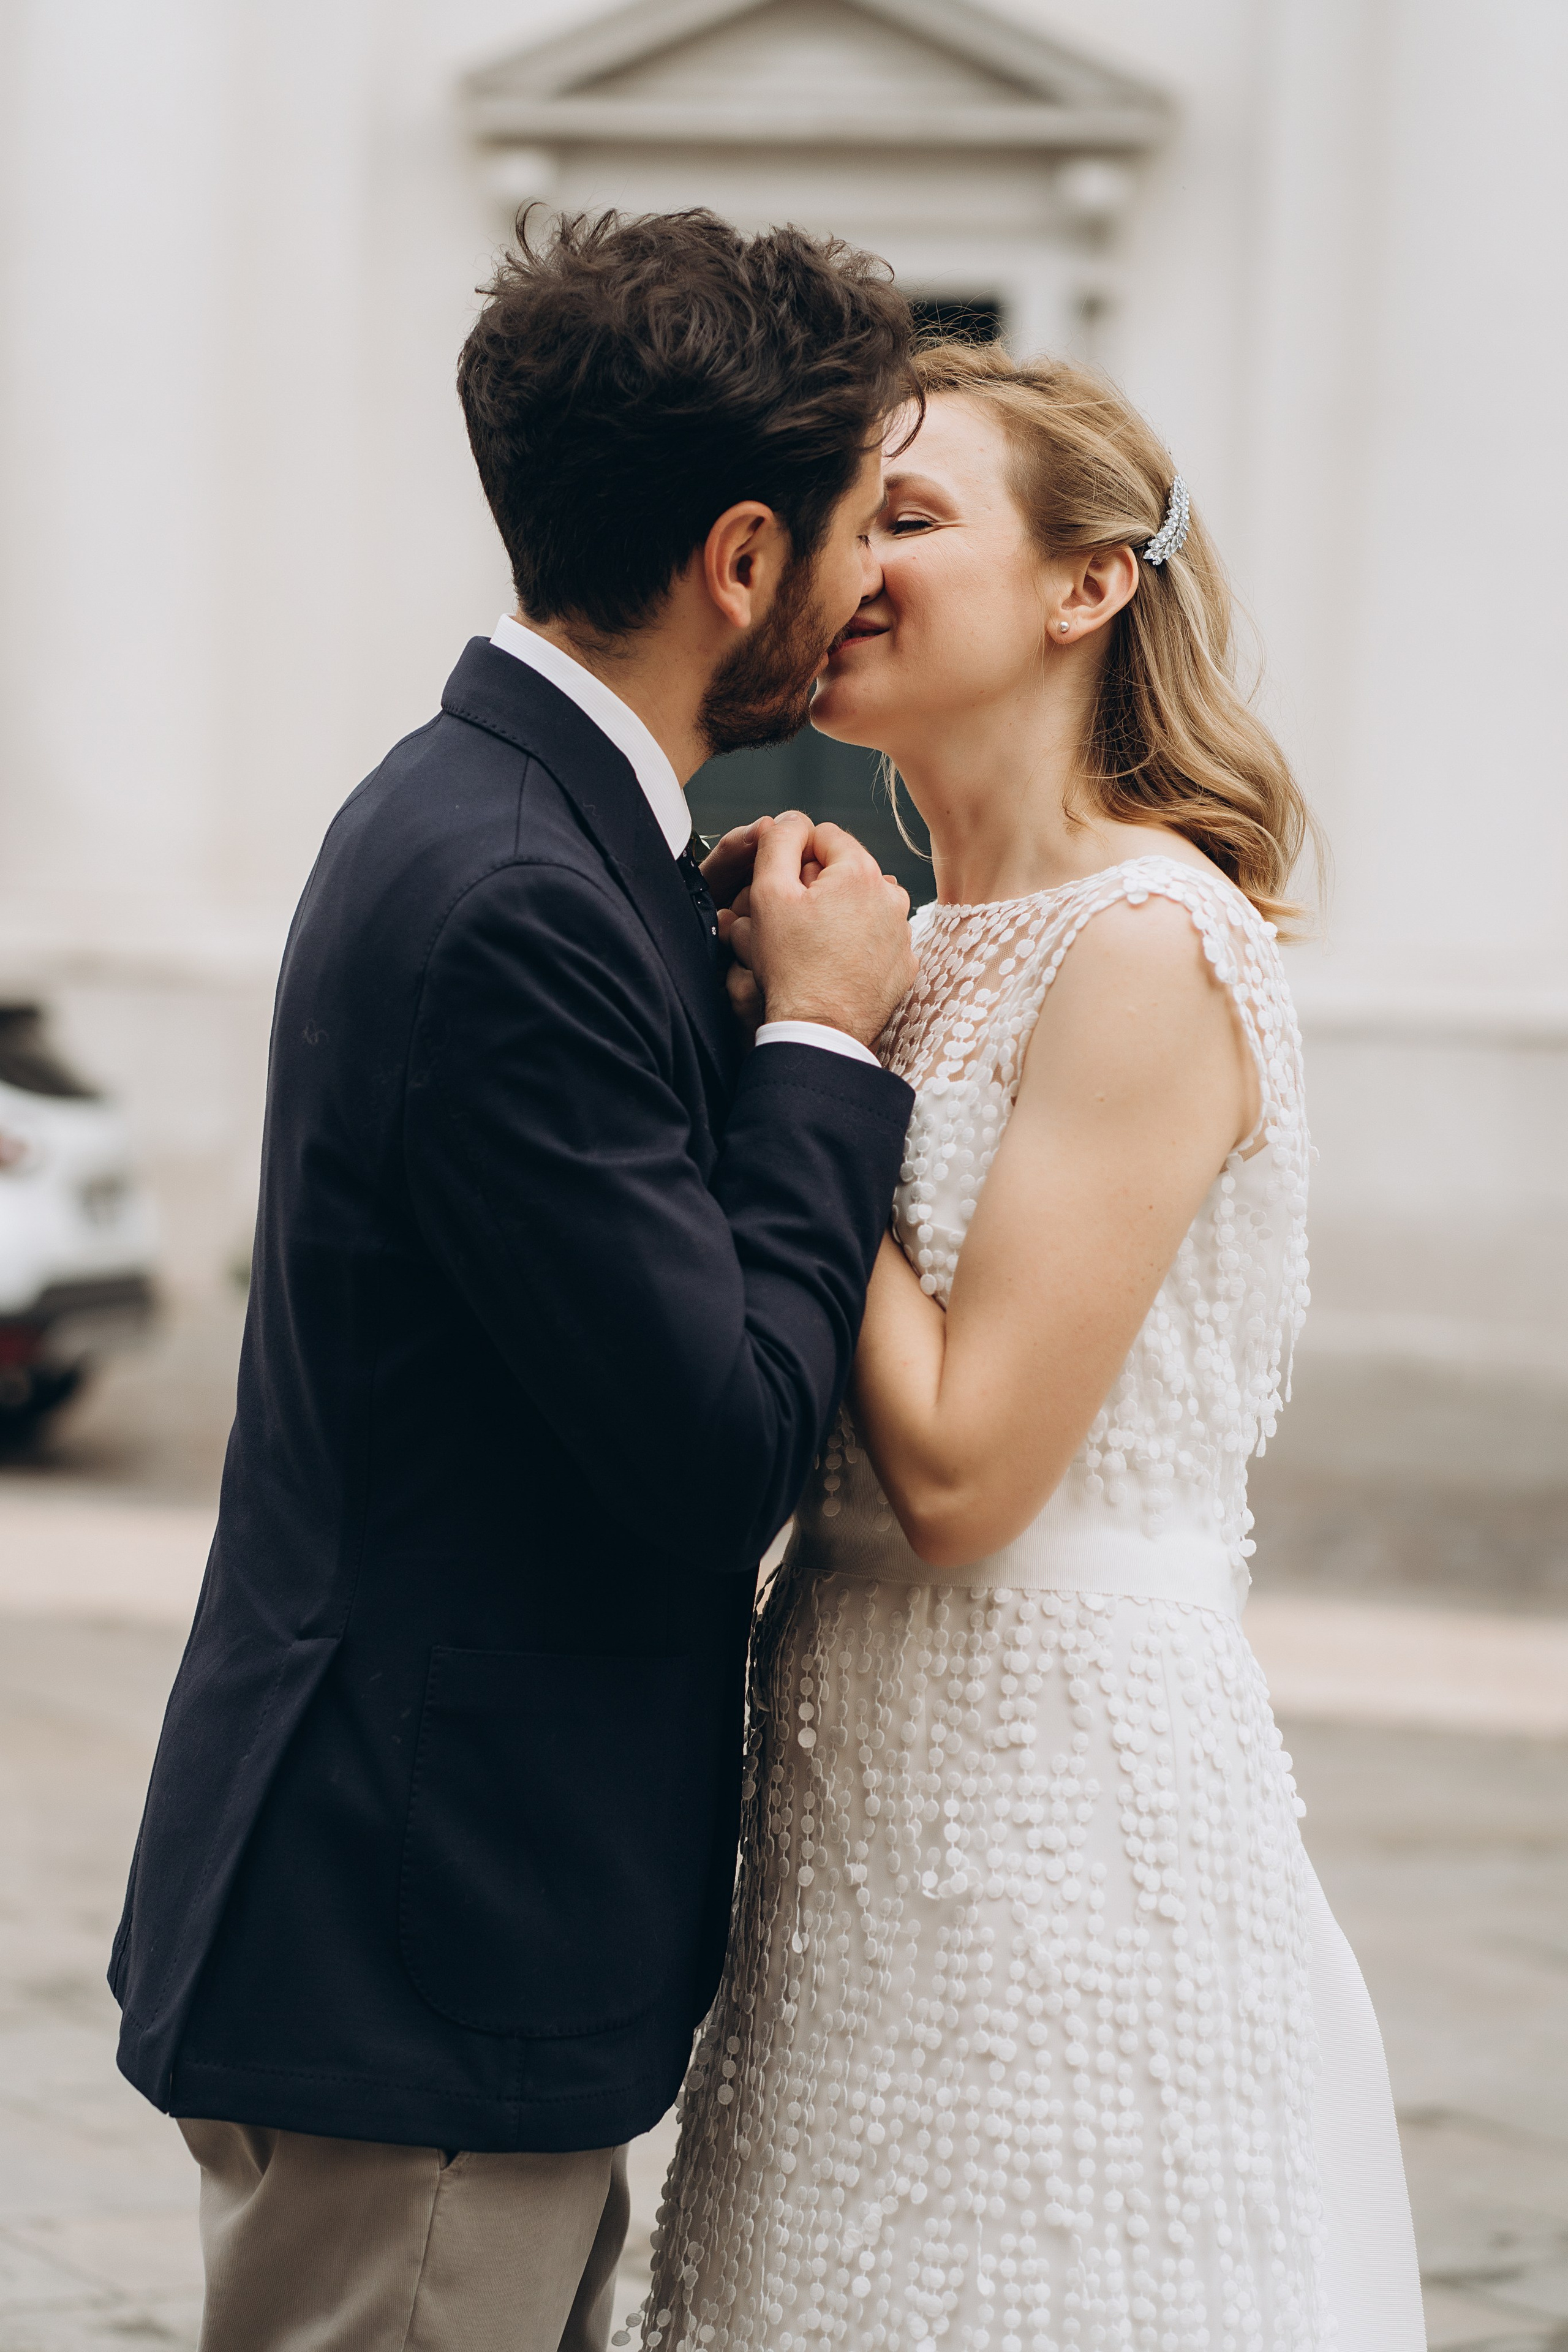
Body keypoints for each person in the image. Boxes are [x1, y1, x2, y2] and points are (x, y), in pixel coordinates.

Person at [108, 209, 923, 2352]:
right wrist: (828, 1046)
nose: (871, 587)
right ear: (742, 559)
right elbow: (714, 1440)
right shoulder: (512, 895)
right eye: (860, 528)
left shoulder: (515, 822)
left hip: (443, 1935)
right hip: (414, 1946)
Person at [646, 344, 1426, 2351]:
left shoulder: (1147, 946)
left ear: (1089, 587)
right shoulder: (908, 923)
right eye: (845, 525)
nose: (851, 566)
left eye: (910, 519)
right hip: (845, 1765)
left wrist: (802, 1046)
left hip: (1052, 1788)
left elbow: (972, 1474)